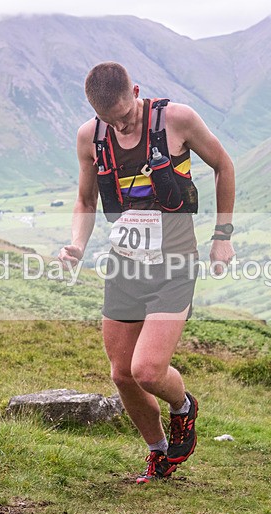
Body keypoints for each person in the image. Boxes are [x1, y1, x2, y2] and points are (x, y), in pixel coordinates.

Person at [58, 62, 235, 483]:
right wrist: (77, 245)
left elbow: (223, 166)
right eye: (109, 120)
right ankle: (157, 451)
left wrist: (223, 234)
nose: (119, 125)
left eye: (125, 115)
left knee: (148, 370)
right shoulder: (90, 137)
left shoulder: (177, 119)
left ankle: (184, 407)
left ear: (136, 91)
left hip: (174, 263)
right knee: (122, 374)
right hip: (124, 264)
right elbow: (86, 201)